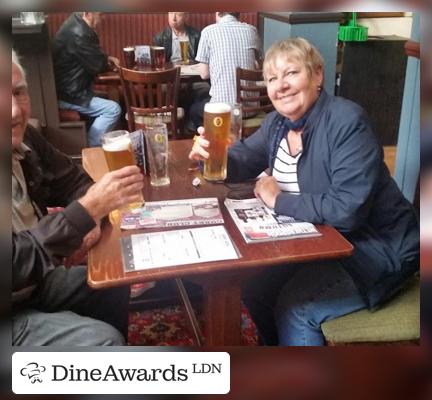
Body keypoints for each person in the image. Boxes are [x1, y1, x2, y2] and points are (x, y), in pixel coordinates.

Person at [189, 38, 419, 345]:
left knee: (296, 309)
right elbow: (243, 159)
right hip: (325, 244)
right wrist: (213, 156)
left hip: (379, 249)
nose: (280, 86)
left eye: (291, 73)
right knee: (255, 287)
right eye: (272, 78)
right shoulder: (278, 124)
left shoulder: (347, 122)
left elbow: (346, 211)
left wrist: (278, 199)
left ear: (318, 75)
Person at [12, 50, 144, 345]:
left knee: (112, 278)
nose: (13, 111)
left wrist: (90, 216)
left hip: (32, 283)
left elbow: (74, 181)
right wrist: (84, 214)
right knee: (101, 340)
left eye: (18, 92)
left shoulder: (23, 138)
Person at [52, 12, 122, 147]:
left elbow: (92, 56)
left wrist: (107, 59)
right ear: (87, 13)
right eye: (100, 15)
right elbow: (97, 65)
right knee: (113, 109)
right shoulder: (80, 33)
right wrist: (109, 64)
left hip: (68, 89)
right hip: (69, 95)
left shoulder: (75, 23)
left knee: (110, 98)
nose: (103, 18)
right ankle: (92, 147)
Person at [190, 12, 262, 129]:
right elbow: (257, 65)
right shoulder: (252, 30)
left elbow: (204, 74)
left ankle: (212, 138)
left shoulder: (208, 32)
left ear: (218, 12)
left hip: (223, 111)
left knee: (193, 110)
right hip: (251, 109)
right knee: (203, 98)